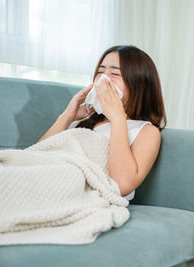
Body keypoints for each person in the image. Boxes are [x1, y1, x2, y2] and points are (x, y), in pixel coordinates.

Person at [37, 45, 167, 201]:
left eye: (114, 73)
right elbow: (37, 154)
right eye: (100, 72)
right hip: (46, 177)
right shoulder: (84, 121)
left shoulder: (146, 131)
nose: (103, 79)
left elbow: (122, 185)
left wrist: (118, 119)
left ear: (138, 83)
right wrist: (67, 116)